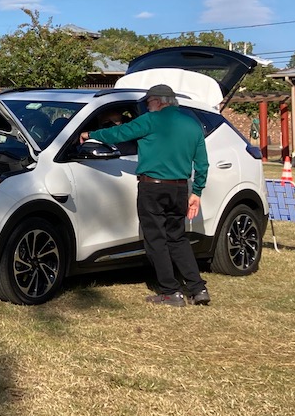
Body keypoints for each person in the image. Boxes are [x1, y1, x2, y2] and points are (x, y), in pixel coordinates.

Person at [81, 84, 210, 308]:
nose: (147, 107)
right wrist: (196, 192)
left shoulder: (150, 120)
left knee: (156, 239)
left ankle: (170, 291)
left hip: (153, 187)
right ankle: (198, 288)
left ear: (158, 101)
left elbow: (118, 134)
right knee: (177, 238)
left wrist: (90, 134)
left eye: (148, 102)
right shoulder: (192, 124)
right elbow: (202, 163)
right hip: (180, 188)